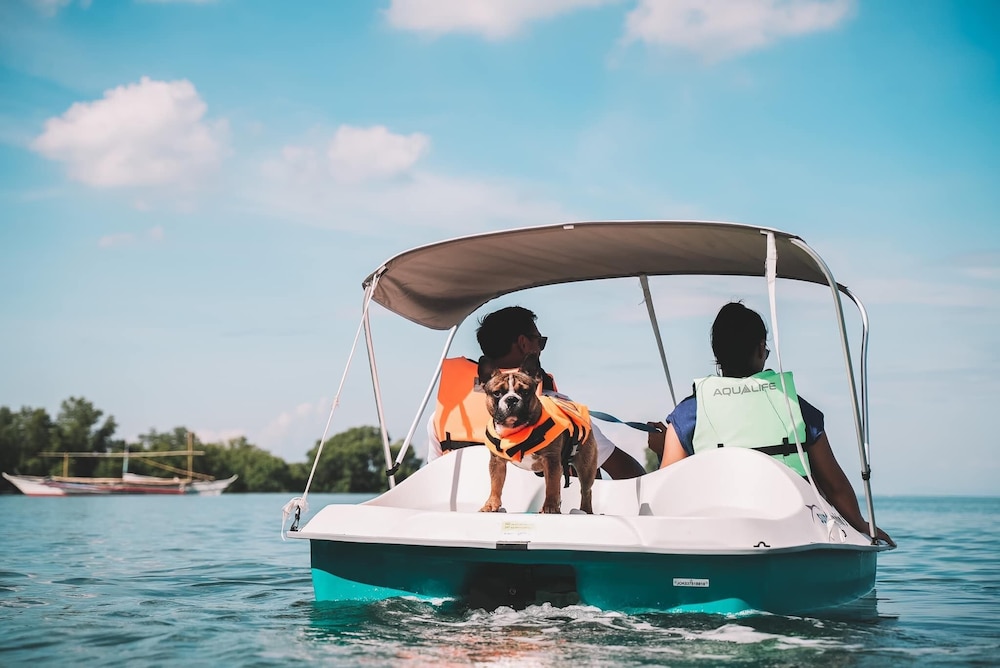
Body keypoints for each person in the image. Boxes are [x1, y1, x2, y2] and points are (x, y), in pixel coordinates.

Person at [647, 301, 895, 546]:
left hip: (718, 537)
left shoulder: (688, 414)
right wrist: (861, 524)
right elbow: (834, 486)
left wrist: (663, 448)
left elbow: (668, 491)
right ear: (760, 349)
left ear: (717, 355)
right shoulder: (796, 408)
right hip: (793, 535)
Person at [427, 306, 647, 480]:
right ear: (524, 344)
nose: (541, 348)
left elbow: (433, 478)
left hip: (466, 518)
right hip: (538, 518)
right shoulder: (560, 413)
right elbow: (627, 472)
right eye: (540, 342)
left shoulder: (440, 419)